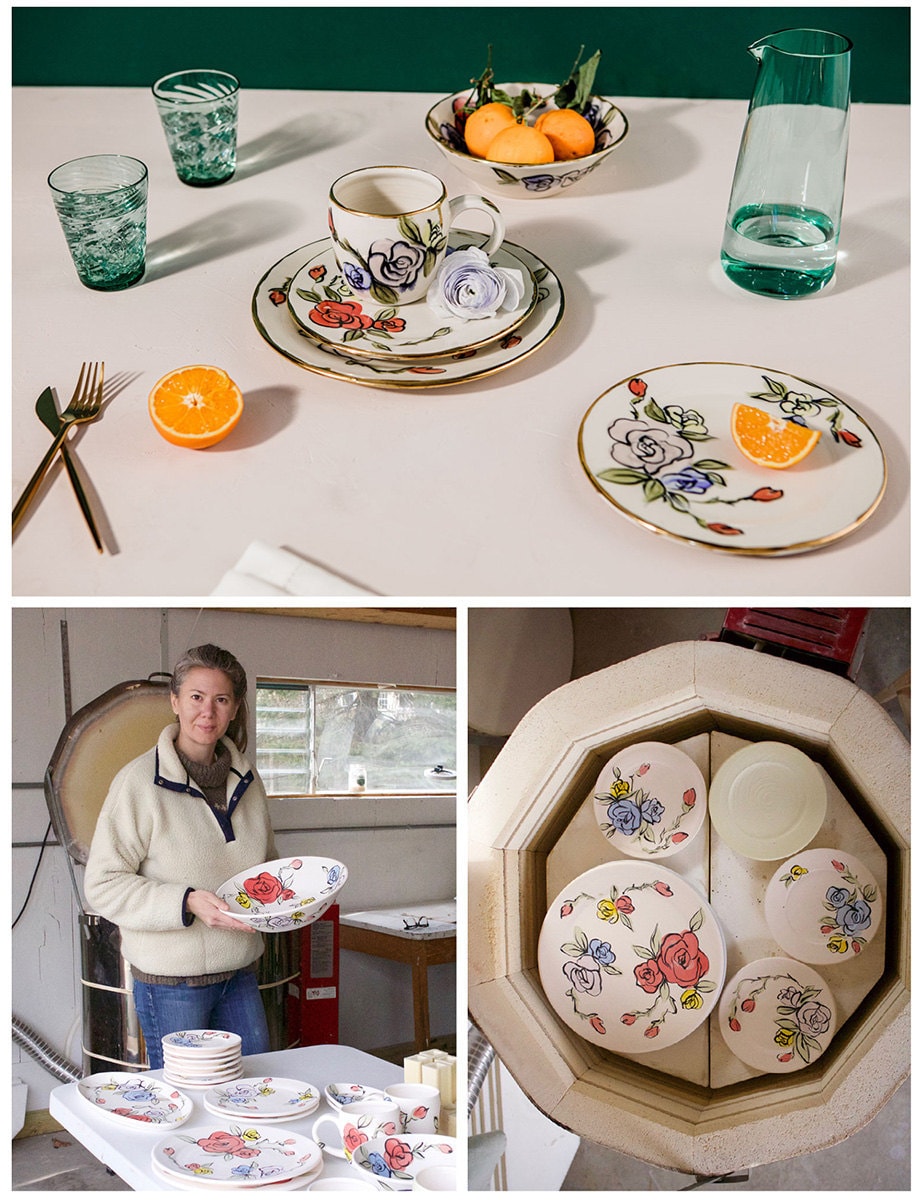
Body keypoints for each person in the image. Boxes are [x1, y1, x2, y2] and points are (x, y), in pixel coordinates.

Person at [84, 644, 276, 1070]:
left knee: (258, 1089)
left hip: (240, 970)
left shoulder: (249, 781)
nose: (207, 711)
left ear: (234, 708)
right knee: (187, 1103)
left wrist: (292, 901)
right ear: (175, 702)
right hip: (171, 982)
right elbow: (102, 886)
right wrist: (186, 900)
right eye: (195, 697)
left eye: (221, 699)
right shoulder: (137, 784)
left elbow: (268, 867)